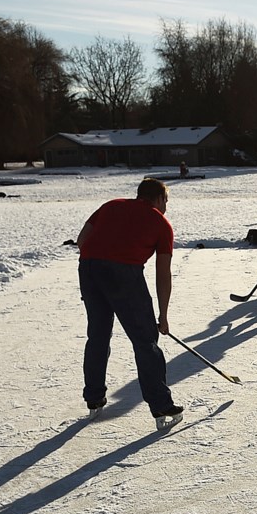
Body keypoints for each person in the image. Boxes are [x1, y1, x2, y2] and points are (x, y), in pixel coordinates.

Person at [76, 177, 182, 430]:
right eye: (166, 201)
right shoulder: (160, 222)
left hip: (89, 269)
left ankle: (94, 398)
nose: (166, 206)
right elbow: (163, 274)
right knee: (145, 341)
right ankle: (160, 405)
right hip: (123, 274)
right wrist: (163, 316)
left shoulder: (111, 206)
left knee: (98, 335)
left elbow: (82, 240)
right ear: (158, 199)